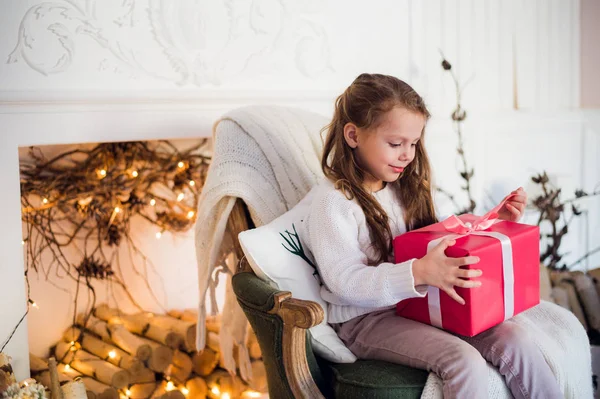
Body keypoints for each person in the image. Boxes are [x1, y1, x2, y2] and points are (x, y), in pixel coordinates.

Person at [302, 73, 562, 398]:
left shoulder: (402, 188)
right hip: (365, 320)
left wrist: (493, 223)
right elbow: (344, 281)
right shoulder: (334, 202)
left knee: (515, 338)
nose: (407, 155)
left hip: (418, 304)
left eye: (413, 143)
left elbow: (437, 239)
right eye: (395, 144)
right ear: (353, 135)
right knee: (462, 360)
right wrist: (418, 272)